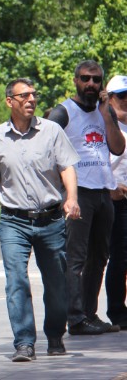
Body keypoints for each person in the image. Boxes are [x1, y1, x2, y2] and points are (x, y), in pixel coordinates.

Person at [0, 77, 81, 362]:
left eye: (33, 95)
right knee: (16, 281)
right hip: (14, 221)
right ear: (9, 101)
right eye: (24, 95)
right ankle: (24, 343)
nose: (31, 100)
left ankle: (55, 335)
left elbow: (67, 167)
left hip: (51, 219)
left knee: (57, 283)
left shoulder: (51, 131)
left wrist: (72, 198)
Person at [47, 60, 125, 335]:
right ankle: (75, 318)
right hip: (78, 194)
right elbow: (45, 147)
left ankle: (89, 315)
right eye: (85, 78)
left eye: (96, 79)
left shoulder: (105, 111)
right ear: (75, 81)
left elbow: (117, 148)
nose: (91, 84)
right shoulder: (63, 112)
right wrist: (63, 191)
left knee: (99, 258)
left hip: (104, 191)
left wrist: (107, 115)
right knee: (76, 258)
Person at [104, 75, 127, 328]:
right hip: (116, 200)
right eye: (122, 95)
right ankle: (117, 311)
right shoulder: (105, 127)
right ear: (109, 99)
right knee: (119, 257)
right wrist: (111, 187)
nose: (126, 100)